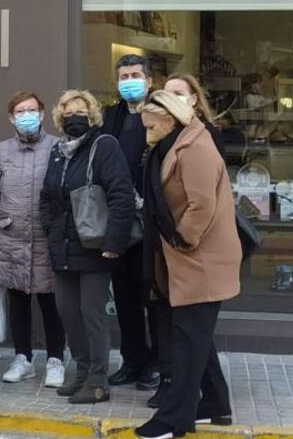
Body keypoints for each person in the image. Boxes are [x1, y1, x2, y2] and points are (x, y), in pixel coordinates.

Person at [133, 91, 240, 439]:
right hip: (189, 259)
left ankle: (172, 421)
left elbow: (201, 205)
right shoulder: (177, 142)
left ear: (168, 122)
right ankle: (216, 405)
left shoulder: (195, 148)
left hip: (200, 259)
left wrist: (183, 241)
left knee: (187, 343)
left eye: (150, 125)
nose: (145, 131)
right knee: (197, 339)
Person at [40, 90, 135, 405]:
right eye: (68, 113)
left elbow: (121, 194)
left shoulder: (104, 145)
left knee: (92, 314)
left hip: (94, 246)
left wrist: (113, 241)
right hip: (63, 246)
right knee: (68, 312)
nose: (74, 118)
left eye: (81, 112)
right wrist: (51, 229)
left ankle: (98, 380)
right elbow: (47, 197)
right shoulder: (57, 150)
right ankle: (81, 372)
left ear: (93, 115)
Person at [0, 92, 66, 388]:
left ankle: (55, 360)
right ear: (11, 117)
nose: (27, 115)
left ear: (43, 114)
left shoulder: (58, 147)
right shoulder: (2, 151)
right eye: (20, 111)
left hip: (46, 239)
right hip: (11, 238)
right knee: (18, 302)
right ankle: (23, 358)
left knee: (51, 302)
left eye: (32, 110)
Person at [101, 54, 160, 391]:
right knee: (124, 297)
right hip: (119, 221)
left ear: (149, 81)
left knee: (152, 297)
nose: (129, 81)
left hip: (151, 221)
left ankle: (155, 362)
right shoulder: (112, 116)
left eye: (135, 75)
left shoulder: (160, 115)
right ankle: (132, 360)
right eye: (123, 76)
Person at [163, 74, 224, 155]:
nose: (171, 98)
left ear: (194, 99)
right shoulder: (158, 128)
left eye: (178, 94)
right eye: (166, 94)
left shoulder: (207, 132)